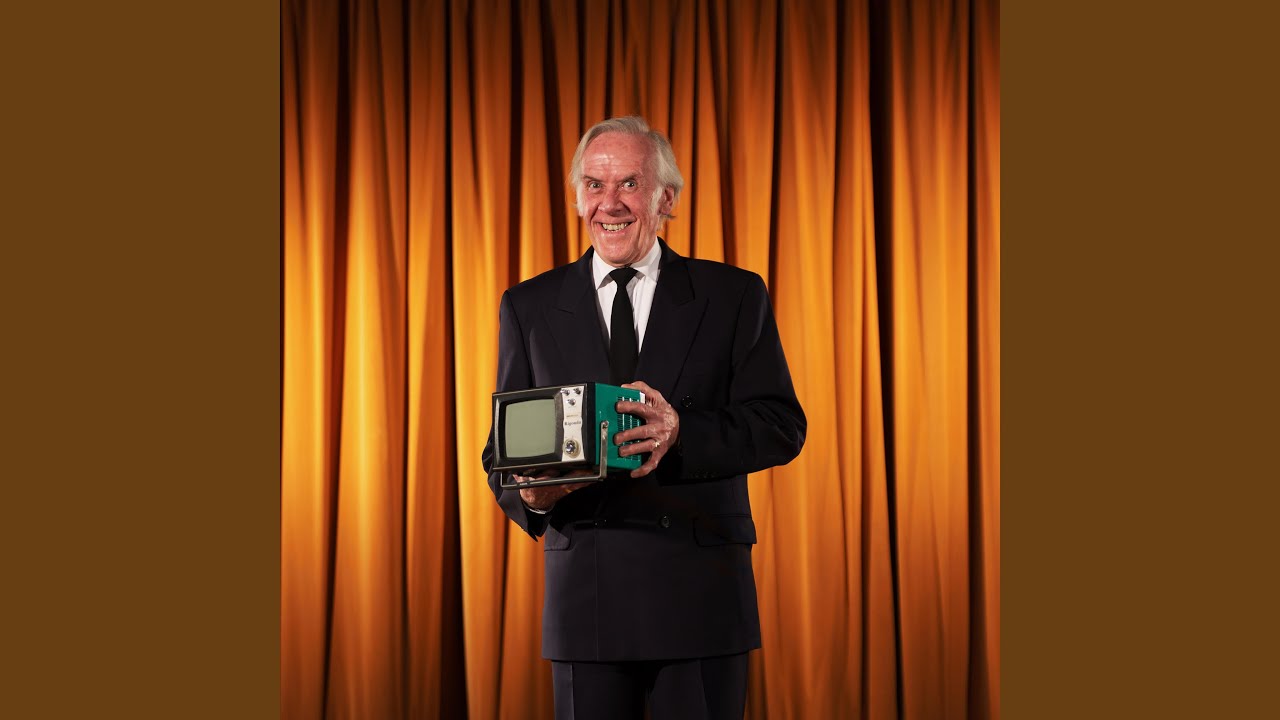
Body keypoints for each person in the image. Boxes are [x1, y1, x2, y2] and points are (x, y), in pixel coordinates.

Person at [482, 116, 806, 719]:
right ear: (578, 198)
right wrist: (533, 496)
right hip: (587, 601)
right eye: (594, 185)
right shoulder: (528, 305)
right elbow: (501, 454)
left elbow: (780, 425)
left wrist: (681, 434)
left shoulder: (732, 295)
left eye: (629, 183)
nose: (610, 203)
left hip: (700, 595)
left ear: (666, 199)